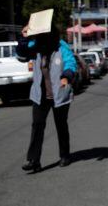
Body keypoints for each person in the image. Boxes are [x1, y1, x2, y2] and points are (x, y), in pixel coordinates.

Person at [17, 23, 77, 172]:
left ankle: (65, 155)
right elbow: (21, 55)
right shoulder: (36, 46)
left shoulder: (61, 47)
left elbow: (70, 63)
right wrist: (24, 37)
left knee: (61, 125)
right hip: (40, 95)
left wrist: (66, 77)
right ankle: (33, 160)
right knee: (37, 126)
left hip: (59, 94)